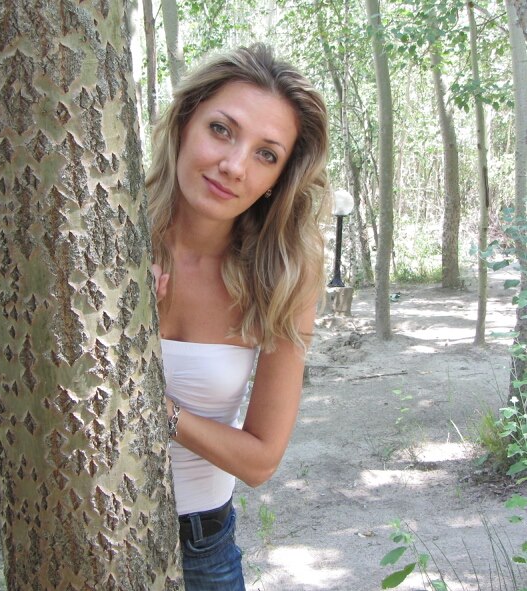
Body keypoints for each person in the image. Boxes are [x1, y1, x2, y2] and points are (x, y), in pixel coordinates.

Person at [146, 43, 328, 591]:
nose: (234, 166)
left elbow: (260, 461)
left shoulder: (283, 276)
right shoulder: (107, 237)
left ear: (279, 179)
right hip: (84, 524)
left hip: (201, 545)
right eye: (222, 130)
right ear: (185, 121)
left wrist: (157, 409)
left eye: (266, 154)